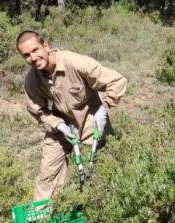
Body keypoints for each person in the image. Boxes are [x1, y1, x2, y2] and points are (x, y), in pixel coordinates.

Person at [16, 30, 127, 200]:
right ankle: (43, 220)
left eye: (35, 50)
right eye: (26, 55)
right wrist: (58, 125)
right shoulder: (32, 80)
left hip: (92, 117)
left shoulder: (74, 62)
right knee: (48, 174)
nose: (33, 57)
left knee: (105, 165)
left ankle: (105, 209)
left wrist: (104, 108)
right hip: (62, 124)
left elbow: (116, 80)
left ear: (45, 46)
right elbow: (39, 112)